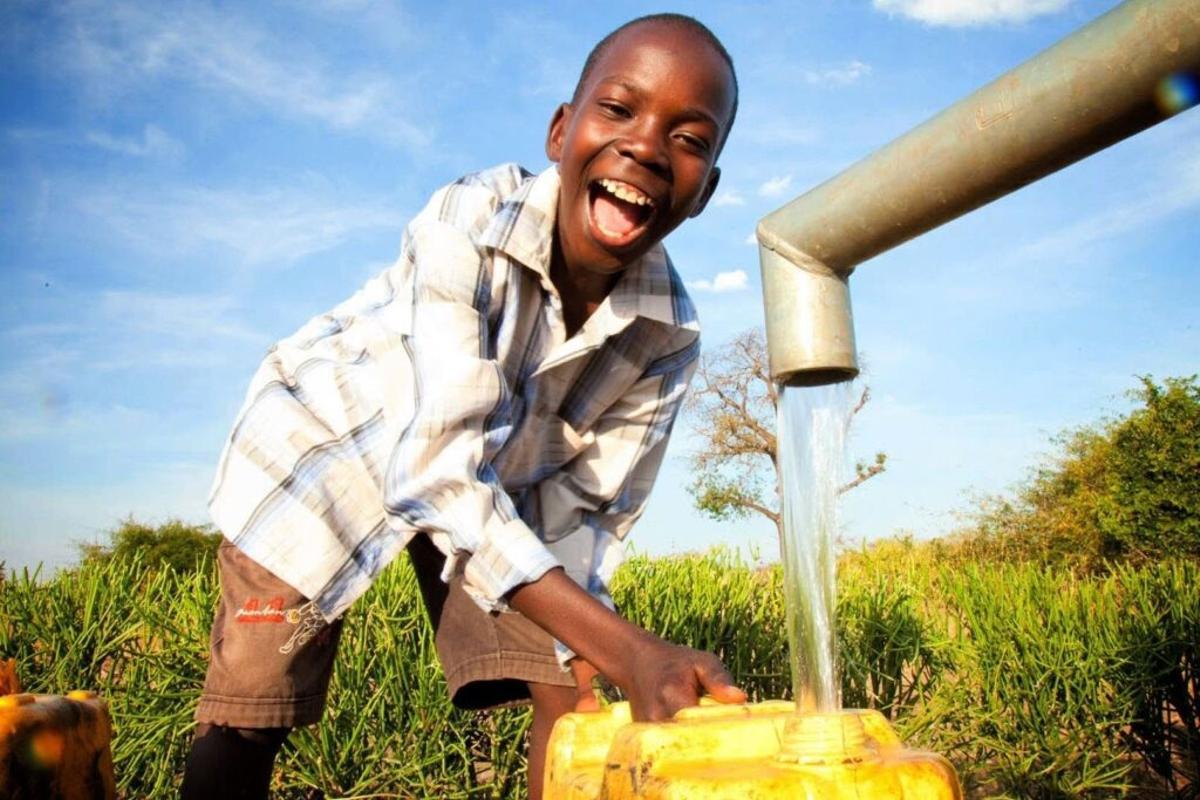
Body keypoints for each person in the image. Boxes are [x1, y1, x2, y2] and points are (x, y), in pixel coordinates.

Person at [181, 13, 743, 800]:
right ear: (561, 131)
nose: (646, 146)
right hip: (327, 451)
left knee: (571, 684)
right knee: (255, 698)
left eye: (688, 138)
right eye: (618, 109)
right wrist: (632, 650)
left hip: (492, 487)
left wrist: (611, 658)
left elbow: (585, 520)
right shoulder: (467, 221)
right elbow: (436, 472)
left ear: (706, 189)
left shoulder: (665, 338)